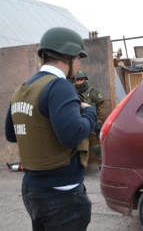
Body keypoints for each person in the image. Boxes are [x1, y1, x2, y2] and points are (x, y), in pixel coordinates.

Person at [4, 27, 97, 231]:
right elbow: (72, 135)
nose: (79, 64)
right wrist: (90, 112)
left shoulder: (22, 88)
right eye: (79, 58)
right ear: (68, 56)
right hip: (61, 194)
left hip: (32, 189)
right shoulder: (59, 86)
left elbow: (11, 134)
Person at [74, 70, 105, 160]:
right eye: (77, 80)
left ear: (85, 80)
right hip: (79, 124)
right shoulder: (72, 92)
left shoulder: (92, 92)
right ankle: (82, 169)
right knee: (81, 149)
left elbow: (101, 106)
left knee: (97, 148)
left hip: (92, 124)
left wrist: (99, 121)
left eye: (81, 79)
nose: (79, 81)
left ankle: (101, 167)